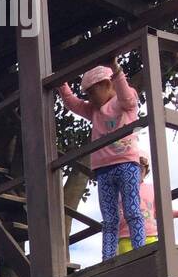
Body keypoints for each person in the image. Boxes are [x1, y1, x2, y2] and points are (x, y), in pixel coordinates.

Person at [58, 57, 143, 259]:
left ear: (107, 84)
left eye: (92, 92)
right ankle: (108, 257)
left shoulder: (124, 102)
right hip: (103, 169)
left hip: (126, 163)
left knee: (132, 209)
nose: (90, 98)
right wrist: (61, 83)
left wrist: (116, 69)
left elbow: (128, 99)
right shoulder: (94, 110)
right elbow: (72, 104)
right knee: (109, 218)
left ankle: (140, 249)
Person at [117, 153, 178, 254]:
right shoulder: (119, 191)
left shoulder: (153, 188)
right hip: (126, 237)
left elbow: (160, 211)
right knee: (130, 268)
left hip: (150, 236)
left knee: (155, 266)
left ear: (146, 171)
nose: (136, 171)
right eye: (133, 167)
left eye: (140, 168)